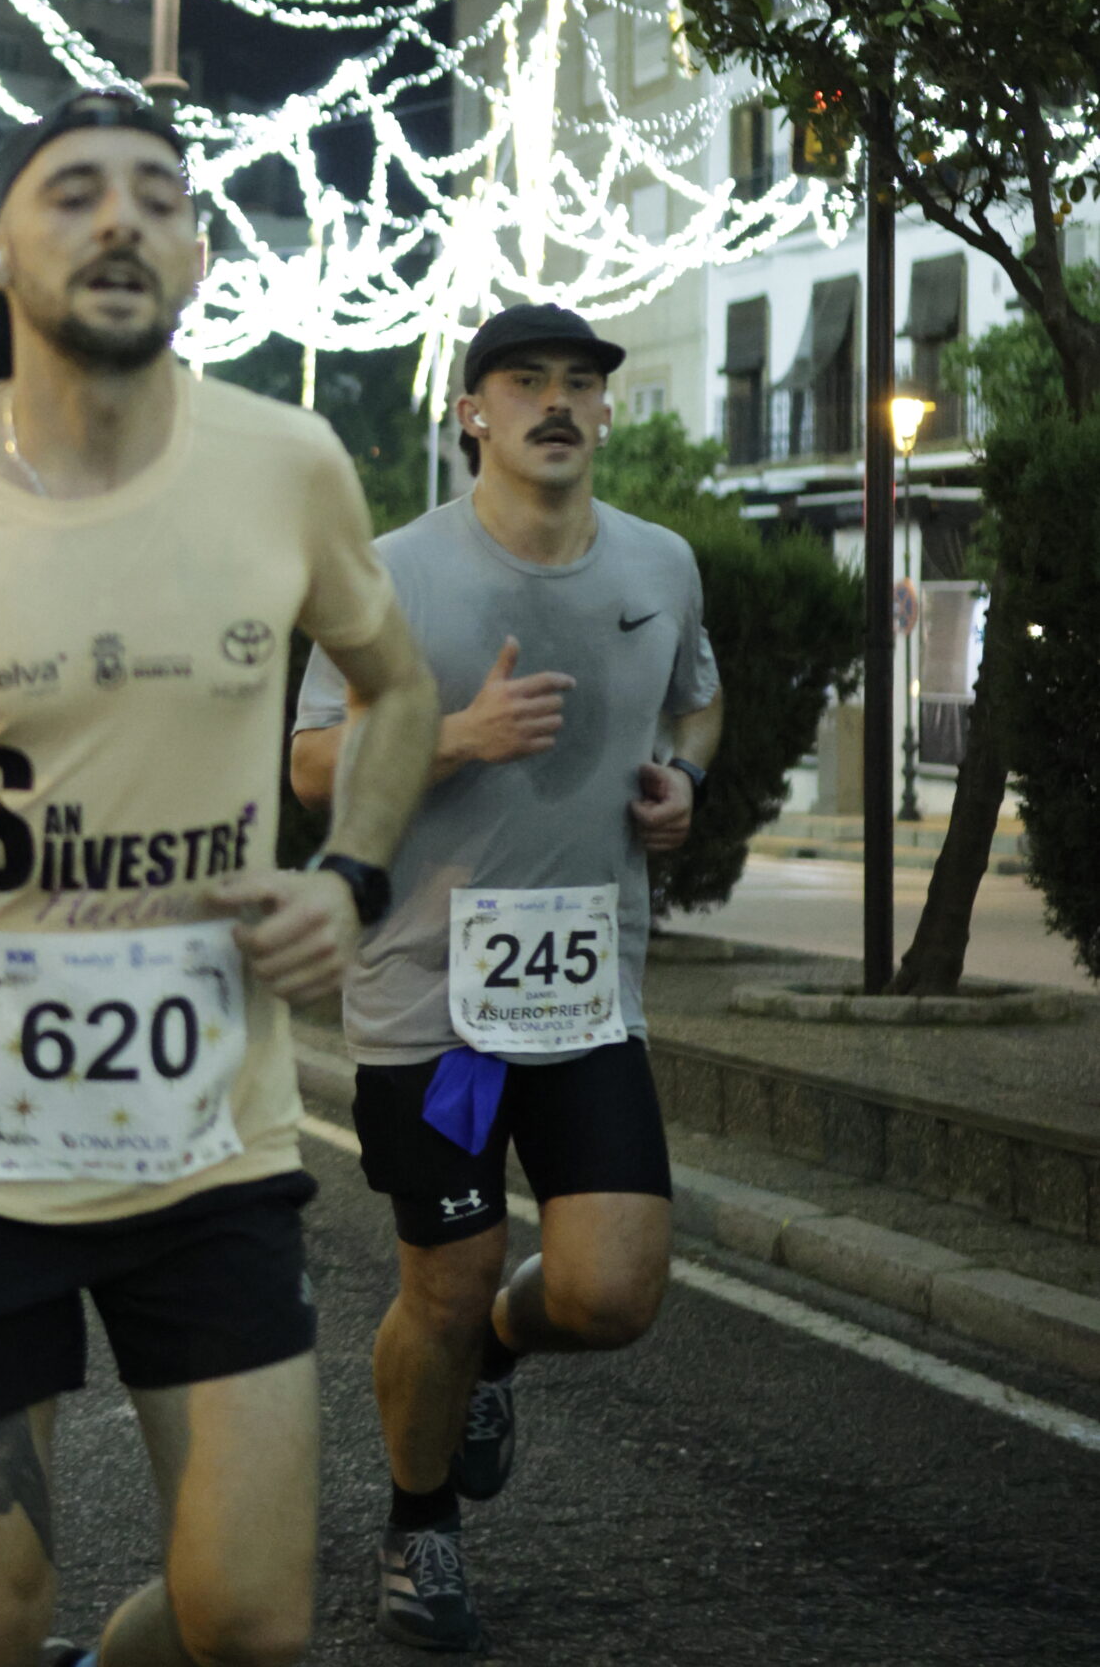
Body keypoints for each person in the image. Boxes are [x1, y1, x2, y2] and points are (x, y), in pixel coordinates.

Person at [0, 89, 439, 1667]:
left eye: (157, 197)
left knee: (248, 1623)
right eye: (70, 193)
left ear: (195, 256)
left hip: (208, 1141)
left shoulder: (286, 464)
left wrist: (351, 878)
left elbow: (397, 690)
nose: (119, 218)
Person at [291, 301, 724, 1654]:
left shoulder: (658, 562)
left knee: (610, 1292)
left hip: (587, 992)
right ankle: (419, 1524)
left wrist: (684, 775)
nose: (557, 401)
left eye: (579, 382)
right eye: (525, 381)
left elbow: (697, 695)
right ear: (471, 413)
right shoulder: (390, 573)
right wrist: (453, 736)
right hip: (432, 1000)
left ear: (604, 409)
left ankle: (497, 1347)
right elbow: (310, 764)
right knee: (443, 1272)